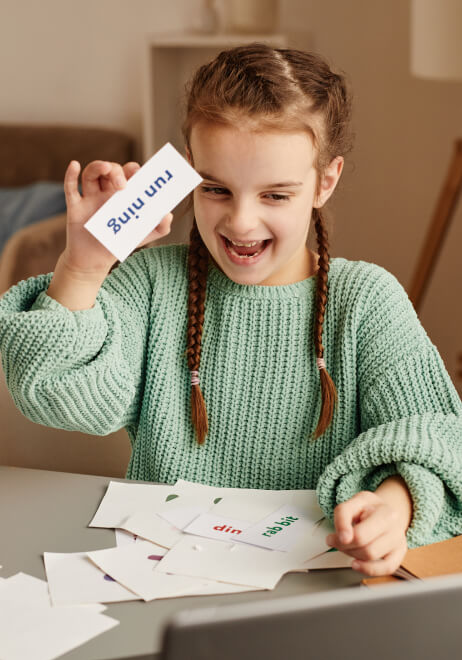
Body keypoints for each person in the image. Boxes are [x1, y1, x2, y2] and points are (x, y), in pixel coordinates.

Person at [1, 44, 461, 577]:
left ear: (325, 181)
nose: (241, 223)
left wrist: (396, 505)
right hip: (163, 582)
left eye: (275, 195)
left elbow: (440, 436)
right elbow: (53, 394)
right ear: (189, 171)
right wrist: (84, 266)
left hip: (320, 595)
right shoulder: (152, 284)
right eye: (217, 188)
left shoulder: (365, 302)